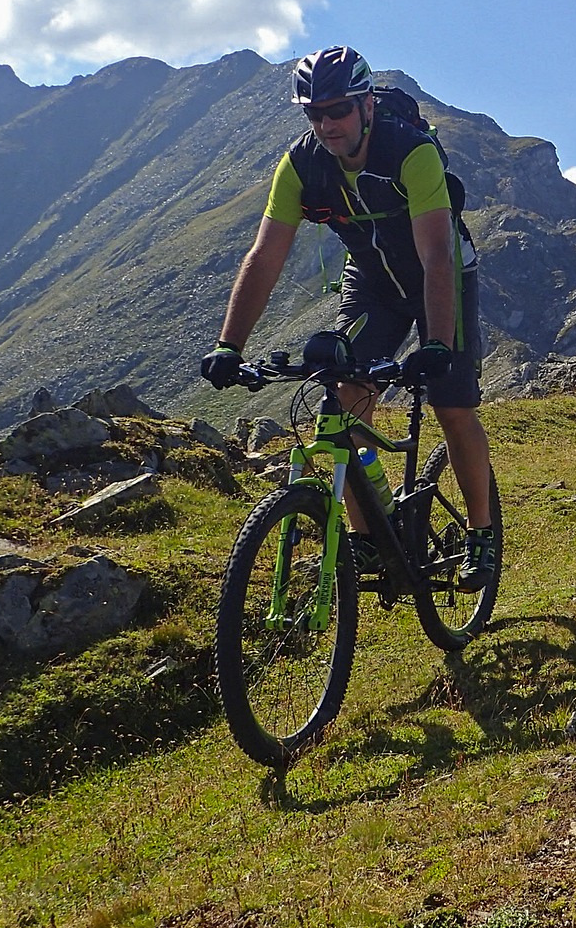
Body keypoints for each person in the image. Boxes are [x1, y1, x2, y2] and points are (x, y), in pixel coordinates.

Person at [200, 46, 497, 591]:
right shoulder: (301, 164)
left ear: (365, 107)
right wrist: (229, 345)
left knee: (452, 407)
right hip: (374, 286)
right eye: (314, 113)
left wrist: (435, 344)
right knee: (340, 405)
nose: (326, 124)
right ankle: (367, 539)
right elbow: (265, 256)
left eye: (337, 110)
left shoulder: (409, 152)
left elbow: (436, 256)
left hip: (443, 278)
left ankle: (481, 532)